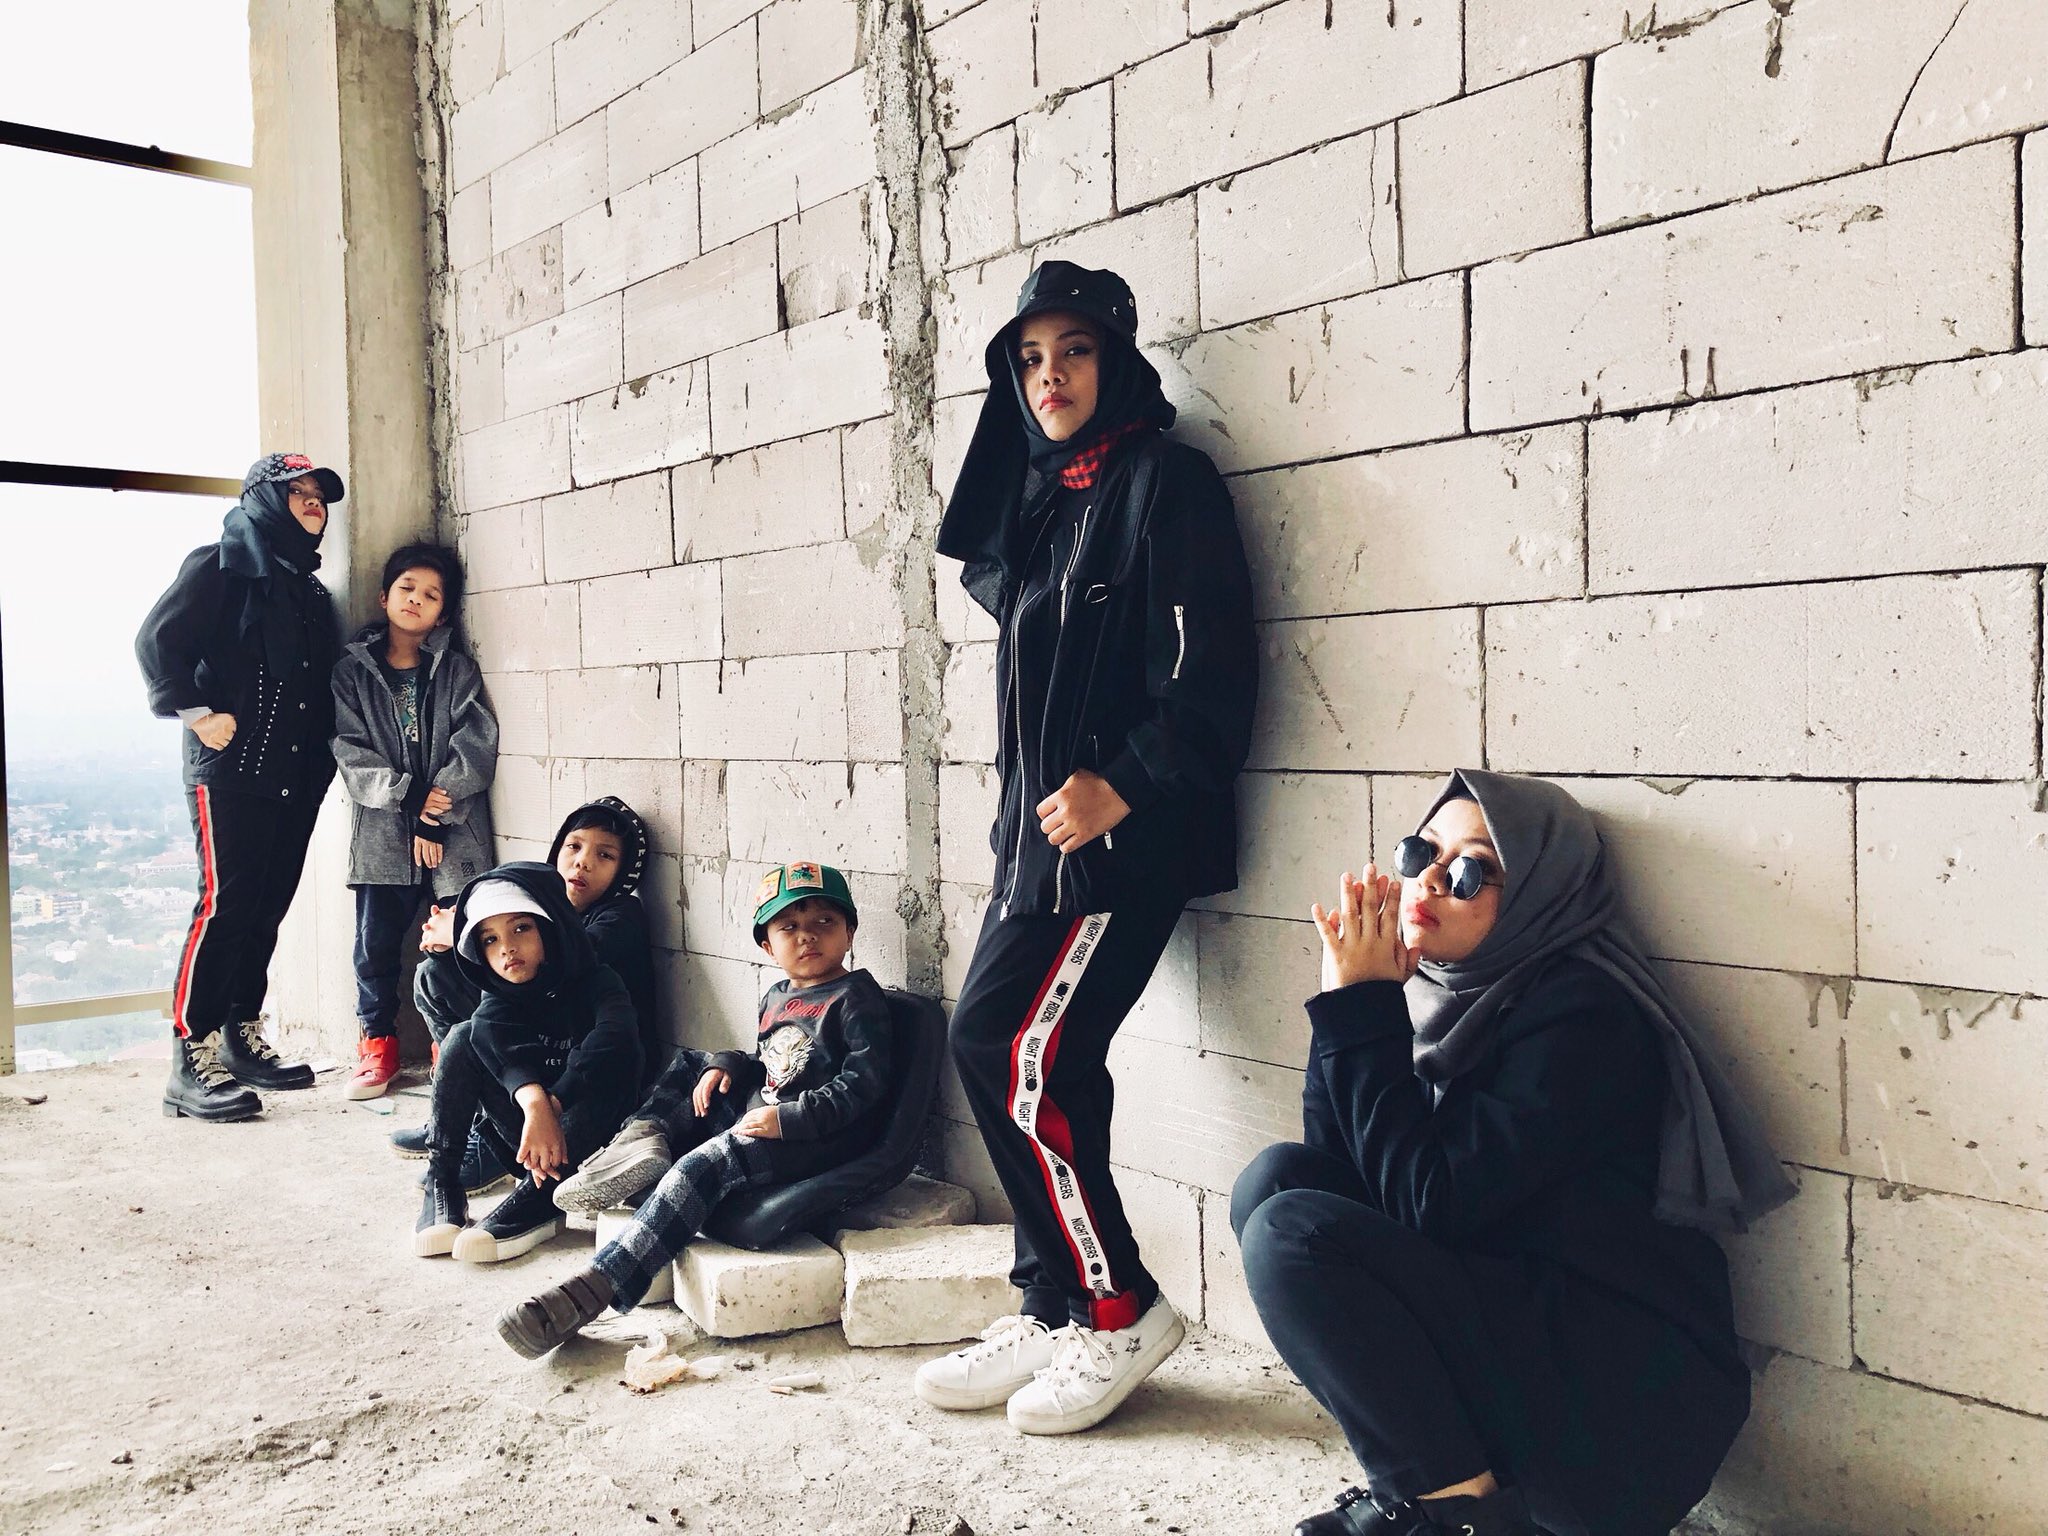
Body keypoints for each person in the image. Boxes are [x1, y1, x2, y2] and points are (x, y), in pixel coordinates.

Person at [1231, 771, 1796, 1536]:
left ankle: (1459, 1516)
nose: (1432, 878)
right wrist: (1347, 1006)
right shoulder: (1436, 999)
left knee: (1289, 1232)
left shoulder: (1584, 1017)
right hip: (1522, 1334)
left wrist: (1361, 1016)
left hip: (1618, 1415)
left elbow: (1430, 1204)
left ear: (1540, 893)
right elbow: (1344, 1169)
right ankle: (1445, 1494)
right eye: (1420, 852)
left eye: (1472, 871)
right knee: (1277, 1184)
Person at [918, 260, 1258, 1434]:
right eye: (1027, 358)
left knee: (1014, 1056)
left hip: (1120, 846)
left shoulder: (1165, 481)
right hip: (1037, 846)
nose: (1048, 375)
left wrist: (1125, 784)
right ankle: (1053, 1301)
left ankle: (1118, 1309)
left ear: (1115, 360)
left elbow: (1213, 674)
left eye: (1072, 350)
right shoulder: (1043, 501)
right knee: (1026, 1061)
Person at [496, 861, 894, 1357]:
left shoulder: (856, 998)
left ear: (850, 933)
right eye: (789, 927)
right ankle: (642, 1142)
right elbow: (774, 1064)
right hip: (768, 1114)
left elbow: (864, 1085)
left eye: (824, 922)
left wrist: (789, 1119)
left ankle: (596, 1287)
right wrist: (727, 1066)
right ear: (768, 947)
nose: (807, 935)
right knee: (693, 1064)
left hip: (815, 1136)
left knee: (703, 1165)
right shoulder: (778, 996)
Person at [136, 453, 345, 1122]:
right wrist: (199, 713)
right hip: (229, 772)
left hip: (293, 777)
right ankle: (189, 1056)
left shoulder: (309, 590)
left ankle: (240, 1036)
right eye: (297, 492)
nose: (312, 504)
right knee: (224, 907)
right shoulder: (220, 566)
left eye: (319, 496)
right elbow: (157, 641)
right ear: (263, 500)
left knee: (264, 909)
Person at [391, 797, 655, 1188]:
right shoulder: (536, 908)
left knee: (481, 1021)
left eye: (605, 855)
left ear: (624, 872)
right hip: (535, 1041)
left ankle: (499, 1137)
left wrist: (457, 929)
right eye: (574, 846)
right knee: (434, 975)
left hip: (581, 1062)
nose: (583, 862)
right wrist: (459, 945)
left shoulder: (621, 915)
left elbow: (571, 961)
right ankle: (467, 1108)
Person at [331, 543, 498, 1099]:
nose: (415, 600)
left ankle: (451, 1048)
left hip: (454, 836)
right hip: (381, 834)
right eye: (406, 588)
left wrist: (435, 815)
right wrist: (409, 798)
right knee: (375, 946)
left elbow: (476, 745)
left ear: (443, 613)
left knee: (457, 941)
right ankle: (377, 1049)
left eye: (431, 594)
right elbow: (349, 750)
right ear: (384, 597)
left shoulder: (457, 671)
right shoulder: (352, 674)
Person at [413, 861, 643, 1264]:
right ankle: (443, 1180)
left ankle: (540, 1199)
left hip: (593, 1141)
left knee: (615, 1060)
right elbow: (495, 1042)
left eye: (521, 928)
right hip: (530, 1140)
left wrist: (554, 1101)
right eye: (490, 939)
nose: (506, 948)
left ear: (551, 928)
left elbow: (614, 1038)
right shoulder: (498, 997)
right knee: (463, 1037)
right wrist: (535, 1103)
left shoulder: (598, 981)